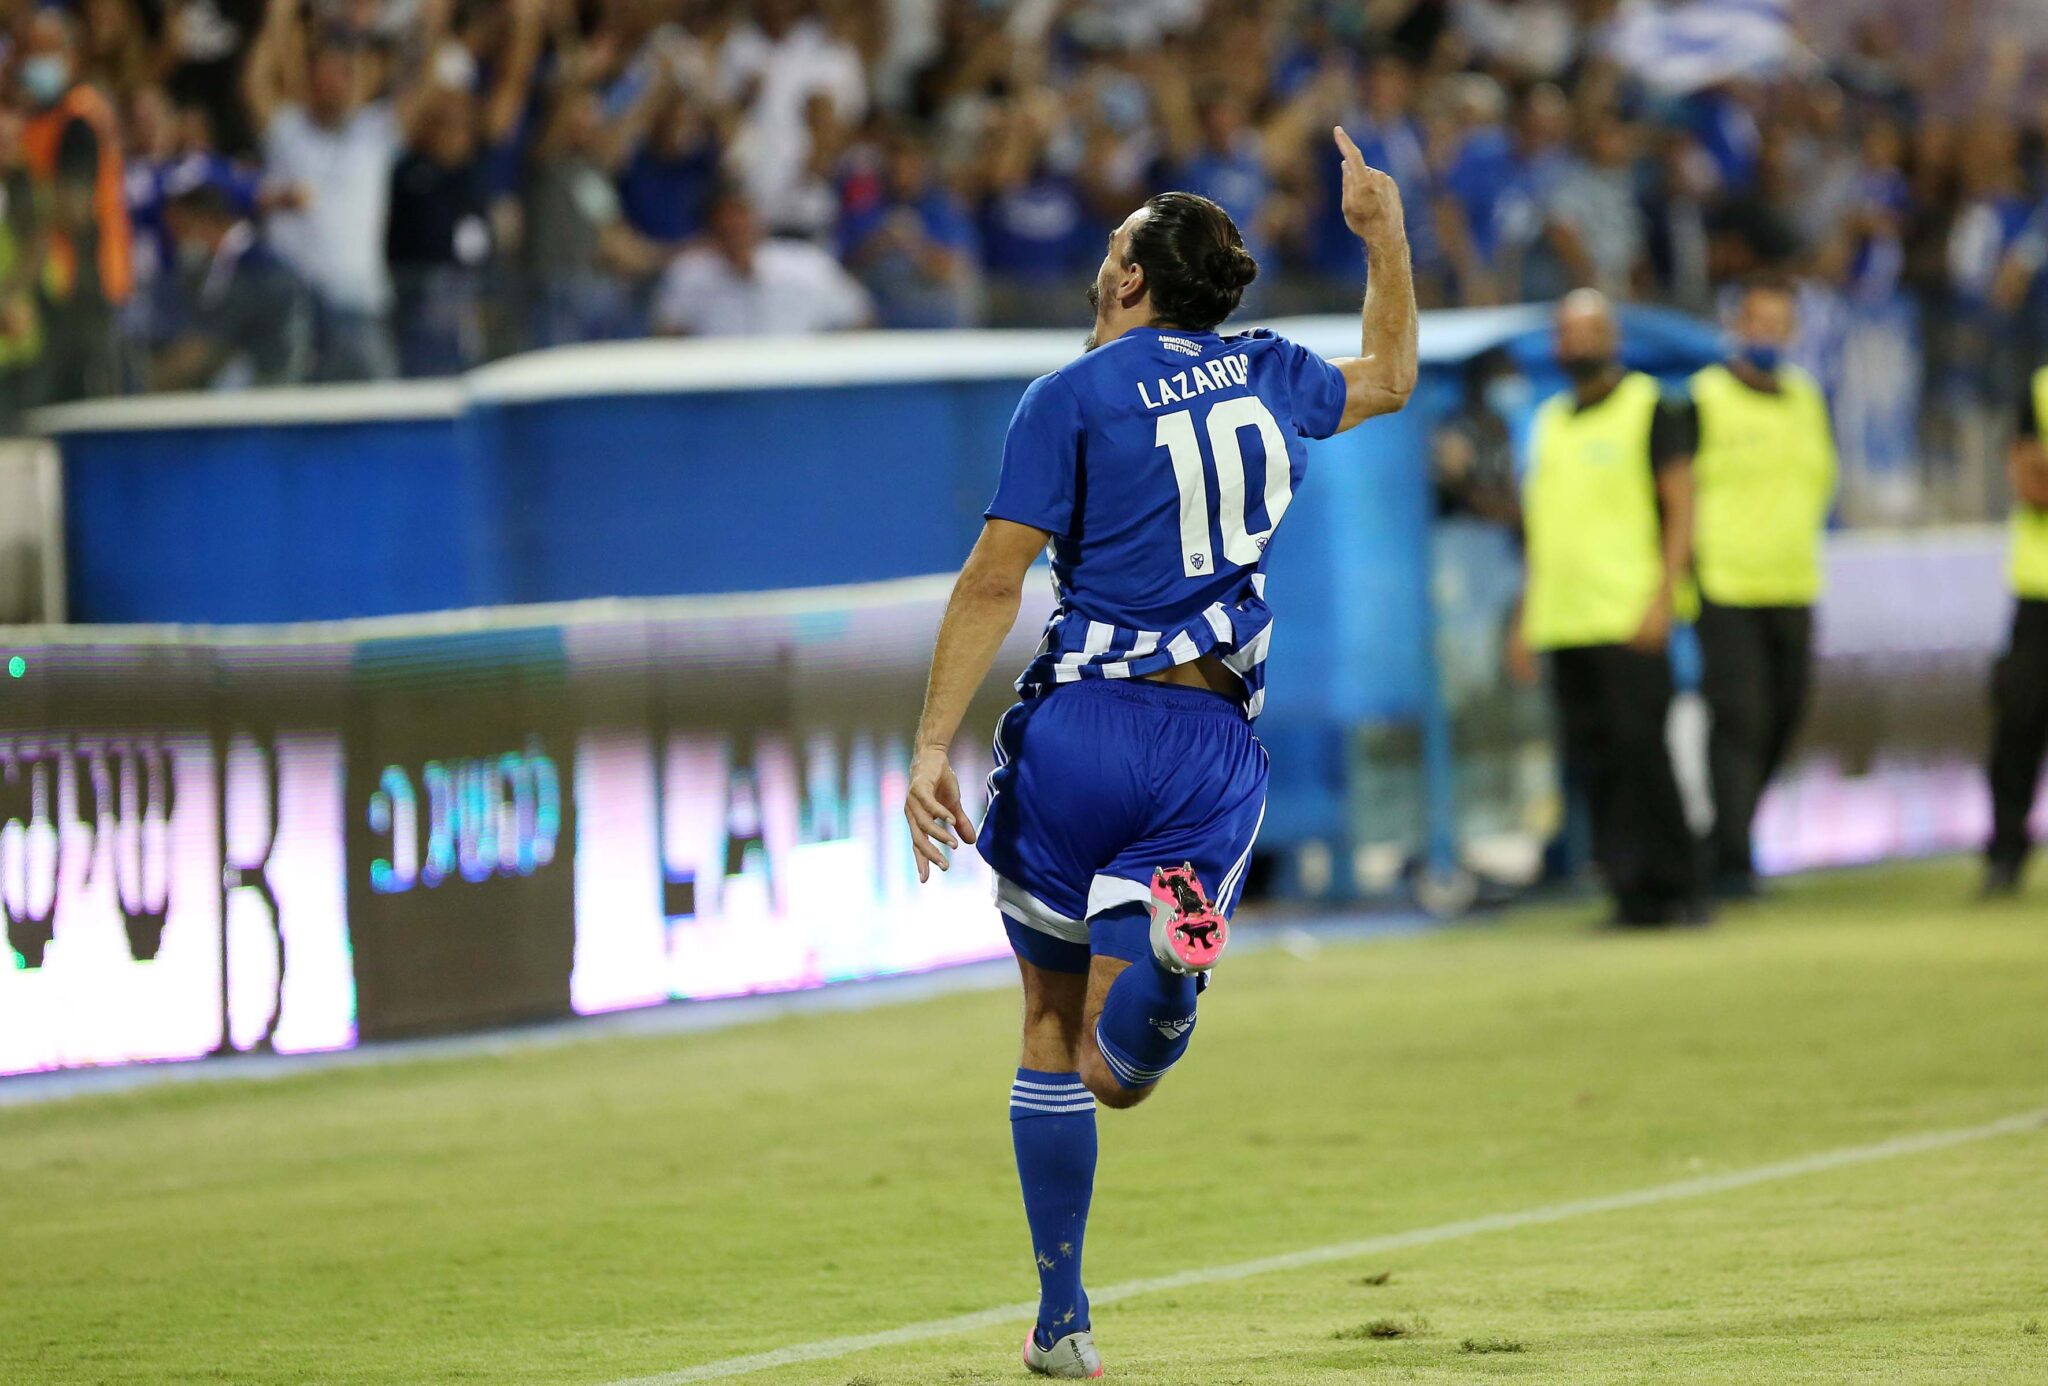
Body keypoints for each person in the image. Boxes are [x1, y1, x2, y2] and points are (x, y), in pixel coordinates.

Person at [900, 131, 1416, 1377]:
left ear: (1132, 279)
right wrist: (1384, 238)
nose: (1100, 260)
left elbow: (992, 581)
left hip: (1082, 730)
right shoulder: (1268, 371)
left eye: (1112, 245)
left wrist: (928, 746)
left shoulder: (1068, 396)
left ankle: (1061, 1320)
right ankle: (1175, 979)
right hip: (1205, 745)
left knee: (1047, 1025)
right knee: (1119, 1069)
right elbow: (1393, 375)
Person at [1510, 290, 1704, 927]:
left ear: (1612, 339)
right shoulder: (1549, 422)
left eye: (1589, 332)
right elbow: (1543, 531)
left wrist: (1664, 598)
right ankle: (1629, 895)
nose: (1577, 344)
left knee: (1643, 758)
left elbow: (1682, 508)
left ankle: (1678, 889)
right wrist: (1524, 620)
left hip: (1627, 617)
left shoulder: (1651, 407)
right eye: (1567, 334)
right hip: (1564, 622)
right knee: (1594, 768)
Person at [1682, 276, 1838, 898]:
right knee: (1740, 720)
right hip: (1726, 585)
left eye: (1779, 323)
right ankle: (1732, 859)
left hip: (1793, 583)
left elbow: (1821, 482)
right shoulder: (1703, 398)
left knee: (1784, 715)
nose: (1768, 333)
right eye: (1758, 321)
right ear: (1737, 326)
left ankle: (1725, 837)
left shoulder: (1806, 399)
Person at [20, 8, 133, 404]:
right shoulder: (39, 119)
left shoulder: (78, 118)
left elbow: (74, 209)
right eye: (30, 51)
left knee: (88, 403)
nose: (36, 61)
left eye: (47, 50)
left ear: (71, 55)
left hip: (86, 283)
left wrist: (19, 206)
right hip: (54, 286)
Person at [1983, 363, 2048, 896]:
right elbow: (2029, 480)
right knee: (2019, 720)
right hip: (2039, 590)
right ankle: (2005, 853)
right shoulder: (2041, 388)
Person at [651, 184, 870, 337]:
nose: (736, 232)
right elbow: (666, 338)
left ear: (759, 223)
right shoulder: (690, 276)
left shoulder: (807, 266)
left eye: (741, 222)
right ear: (712, 233)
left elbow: (860, 318)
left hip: (796, 382)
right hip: (718, 384)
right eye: (726, 228)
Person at [150, 180, 304, 390]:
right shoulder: (215, 267)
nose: (178, 242)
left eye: (181, 230)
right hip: (240, 378)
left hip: (268, 385)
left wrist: (158, 377)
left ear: (204, 223)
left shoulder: (260, 268)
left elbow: (207, 343)